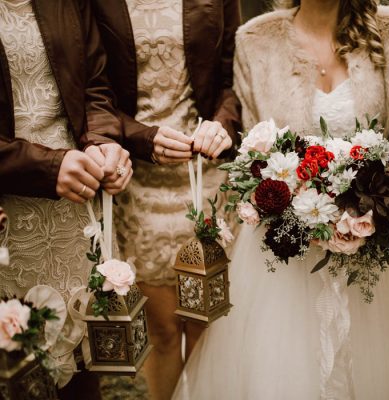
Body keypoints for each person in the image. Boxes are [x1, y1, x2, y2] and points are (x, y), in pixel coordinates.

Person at [174, 2, 389, 399]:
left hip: (372, 236)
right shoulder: (255, 40)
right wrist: (297, 203)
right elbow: (252, 153)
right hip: (284, 249)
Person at [90, 1, 241, 398]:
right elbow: (93, 94)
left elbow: (232, 77)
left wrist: (221, 126)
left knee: (211, 329)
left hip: (205, 180)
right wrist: (142, 137)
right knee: (163, 331)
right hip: (139, 186)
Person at [0, 0, 130, 398]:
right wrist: (46, 167)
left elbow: (95, 87)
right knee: (17, 373)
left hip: (75, 212)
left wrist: (105, 144)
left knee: (80, 368)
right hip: (10, 221)